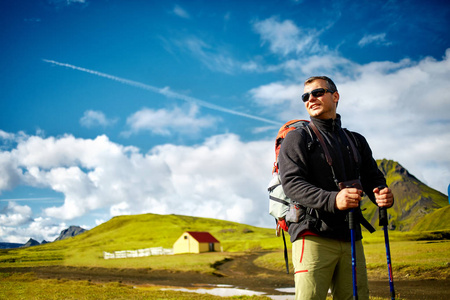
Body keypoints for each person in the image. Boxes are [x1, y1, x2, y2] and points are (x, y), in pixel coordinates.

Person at [278, 76, 394, 300]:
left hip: (351, 235)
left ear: (335, 96)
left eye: (317, 92)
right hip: (311, 235)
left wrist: (382, 193)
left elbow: (373, 178)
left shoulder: (356, 140)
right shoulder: (297, 138)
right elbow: (292, 183)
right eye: (305, 96)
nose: (311, 99)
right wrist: (334, 200)